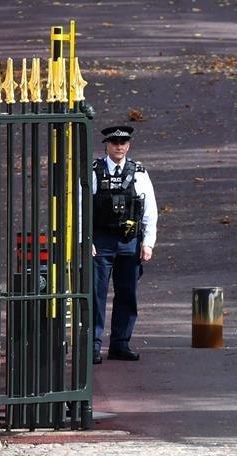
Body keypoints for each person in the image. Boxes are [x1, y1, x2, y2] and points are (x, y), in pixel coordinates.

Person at [90, 125, 158, 364]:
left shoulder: (138, 172)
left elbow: (149, 210)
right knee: (95, 295)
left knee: (127, 294)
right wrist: (84, 240)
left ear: (128, 145)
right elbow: (80, 208)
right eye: (114, 142)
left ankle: (120, 343)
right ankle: (93, 346)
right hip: (100, 241)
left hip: (129, 240)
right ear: (106, 145)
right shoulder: (94, 171)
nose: (119, 146)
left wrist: (147, 243)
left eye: (124, 142)